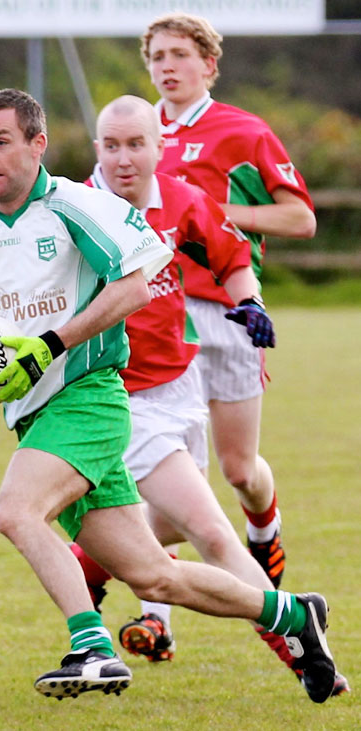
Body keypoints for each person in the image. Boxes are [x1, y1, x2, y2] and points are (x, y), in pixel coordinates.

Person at [0, 88, 337, 705]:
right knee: (154, 575)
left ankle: (91, 647)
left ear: (37, 144)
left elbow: (137, 286)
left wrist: (50, 344)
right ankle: (291, 615)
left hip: (89, 397)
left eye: (2, 141)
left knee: (15, 511)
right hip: (33, 413)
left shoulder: (77, 207)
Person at [69, 94, 348, 698]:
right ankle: (299, 643)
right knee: (213, 533)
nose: (123, 158)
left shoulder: (183, 199)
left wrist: (250, 303)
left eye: (136, 144)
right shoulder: (73, 210)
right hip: (123, 398)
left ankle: (86, 566)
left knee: (160, 528)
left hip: (180, 387)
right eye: (111, 146)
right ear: (97, 151)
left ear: (159, 147)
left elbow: (232, 258)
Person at [139, 10, 321, 594]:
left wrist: (213, 215)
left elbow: (300, 218)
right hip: (161, 318)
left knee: (240, 471)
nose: (167, 66)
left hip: (232, 311)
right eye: (157, 57)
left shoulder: (242, 130)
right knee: (170, 475)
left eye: (179, 55)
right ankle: (154, 617)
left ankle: (264, 530)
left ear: (209, 66)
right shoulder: (140, 137)